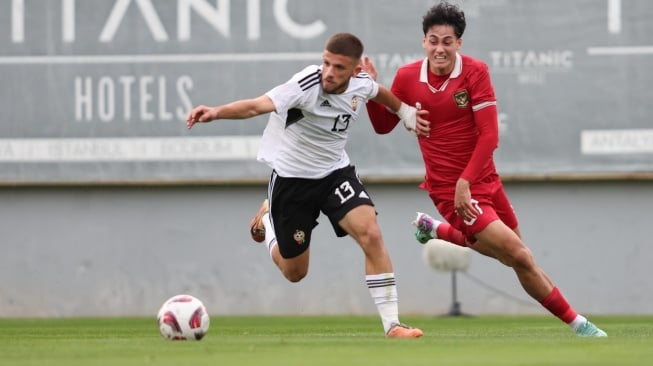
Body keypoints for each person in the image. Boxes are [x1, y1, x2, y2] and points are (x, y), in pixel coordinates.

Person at [364, 2, 607, 337]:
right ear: (424, 42)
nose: (439, 48)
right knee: (519, 255)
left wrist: (468, 181)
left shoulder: (475, 72)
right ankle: (580, 325)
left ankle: (436, 230)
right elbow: (381, 127)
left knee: (518, 259)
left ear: (459, 44)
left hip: (484, 182)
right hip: (449, 190)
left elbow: (489, 135)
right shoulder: (407, 77)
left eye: (447, 41)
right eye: (433, 40)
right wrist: (372, 93)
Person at [186, 33, 423, 338]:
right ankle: (269, 220)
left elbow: (379, 93)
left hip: (336, 174)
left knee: (371, 234)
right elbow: (256, 106)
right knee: (295, 272)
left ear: (354, 70)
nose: (329, 72)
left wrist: (405, 113)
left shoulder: (360, 83)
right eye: (326, 62)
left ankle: (392, 325)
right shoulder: (306, 84)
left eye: (339, 67)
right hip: (293, 181)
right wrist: (215, 112)